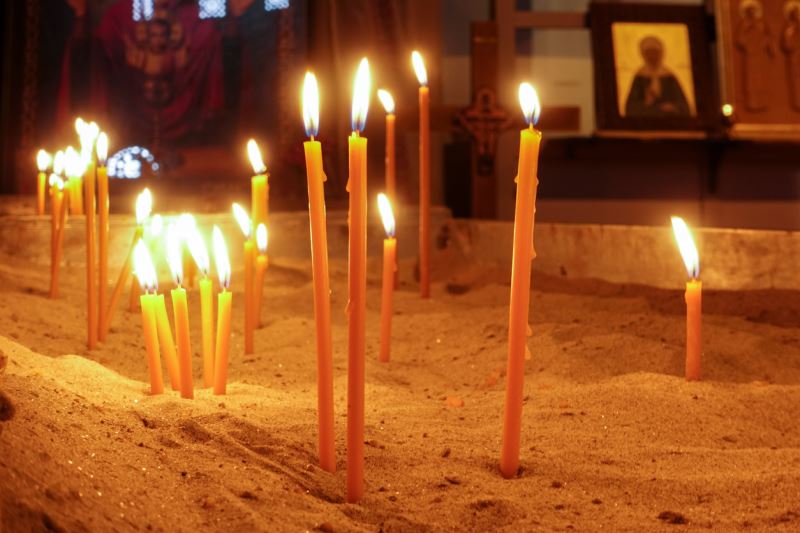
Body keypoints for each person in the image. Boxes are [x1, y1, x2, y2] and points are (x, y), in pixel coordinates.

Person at [624, 35, 691, 118]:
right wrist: (646, 103)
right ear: (643, 55)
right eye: (649, 53)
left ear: (661, 54)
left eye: (655, 53)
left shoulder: (669, 76)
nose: (652, 57)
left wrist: (673, 107)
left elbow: (683, 106)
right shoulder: (639, 77)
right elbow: (630, 108)